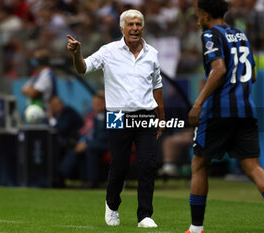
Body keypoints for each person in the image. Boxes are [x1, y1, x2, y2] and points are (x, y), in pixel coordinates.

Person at [186, 1, 264, 233]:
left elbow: (219, 69)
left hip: (218, 112)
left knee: (199, 164)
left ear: (205, 15)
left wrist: (198, 103)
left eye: (198, 15)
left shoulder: (209, 35)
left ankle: (196, 229)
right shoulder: (240, 33)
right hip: (246, 110)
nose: (197, 20)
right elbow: (252, 75)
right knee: (253, 166)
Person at [67, 9, 165, 228]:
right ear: (122, 28)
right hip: (117, 115)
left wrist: (161, 118)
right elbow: (83, 68)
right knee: (119, 165)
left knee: (147, 165)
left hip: (146, 115)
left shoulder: (152, 53)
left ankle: (145, 215)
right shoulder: (108, 51)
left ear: (143, 27)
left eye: (138, 24)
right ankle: (112, 205)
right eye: (130, 24)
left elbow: (157, 86)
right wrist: (76, 53)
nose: (134, 28)